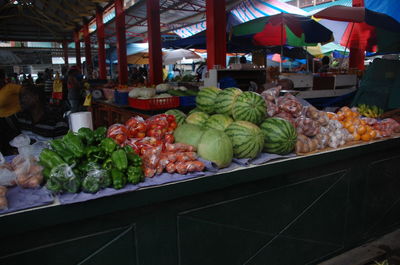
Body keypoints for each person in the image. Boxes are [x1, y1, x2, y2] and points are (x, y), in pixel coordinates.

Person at [0, 69, 44, 155]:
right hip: (3, 122)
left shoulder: (9, 88)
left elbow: (28, 91)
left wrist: (26, 101)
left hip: (13, 119)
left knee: (24, 139)